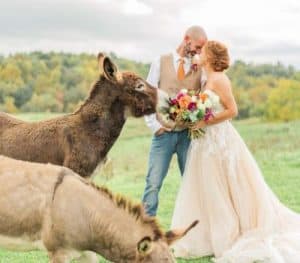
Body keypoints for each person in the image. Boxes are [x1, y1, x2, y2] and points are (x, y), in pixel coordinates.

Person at [171, 40, 300, 262]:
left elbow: (233, 110)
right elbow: (188, 87)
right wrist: (190, 112)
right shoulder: (206, 77)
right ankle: (207, 235)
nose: (199, 54)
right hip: (205, 143)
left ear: (210, 57)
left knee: (223, 186)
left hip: (220, 141)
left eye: (203, 52)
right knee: (208, 188)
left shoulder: (220, 79)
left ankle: (229, 232)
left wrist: (205, 122)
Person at [142, 25, 208, 217]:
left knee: (191, 184)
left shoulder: (199, 68)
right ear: (186, 39)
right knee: (153, 183)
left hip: (188, 136)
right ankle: (146, 231)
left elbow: (208, 92)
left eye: (201, 49)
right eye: (197, 47)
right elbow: (147, 96)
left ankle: (196, 227)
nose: (198, 51)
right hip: (163, 136)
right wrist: (154, 126)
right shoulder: (160, 61)